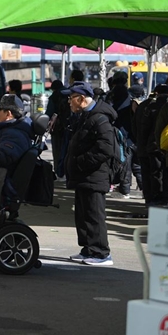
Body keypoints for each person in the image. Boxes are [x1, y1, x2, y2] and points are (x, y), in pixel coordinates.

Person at [64, 81, 116, 266]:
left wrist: (80, 162)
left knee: (94, 215)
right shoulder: (84, 116)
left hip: (94, 175)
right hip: (83, 176)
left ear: (81, 99)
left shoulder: (99, 118)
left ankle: (101, 253)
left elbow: (105, 149)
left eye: (71, 98)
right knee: (83, 214)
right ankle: (88, 249)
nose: (69, 102)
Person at [45, 80, 70, 177]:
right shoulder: (69, 93)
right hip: (70, 126)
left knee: (57, 150)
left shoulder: (54, 96)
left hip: (58, 127)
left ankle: (58, 171)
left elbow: (49, 112)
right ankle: (67, 171)